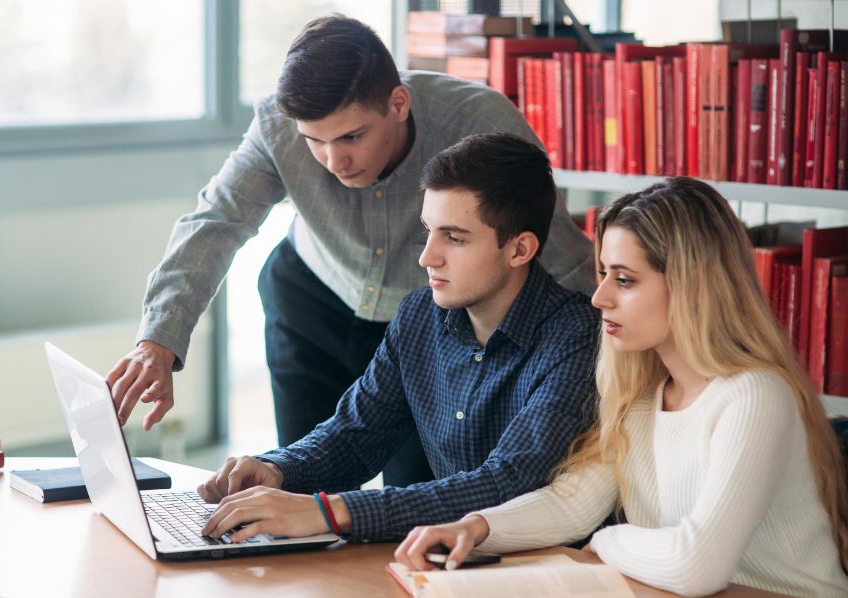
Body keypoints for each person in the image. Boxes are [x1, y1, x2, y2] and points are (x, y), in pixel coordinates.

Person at [104, 15, 594, 488]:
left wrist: (616, 355)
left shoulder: (479, 122)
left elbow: (554, 249)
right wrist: (158, 342)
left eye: (352, 137)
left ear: (398, 103)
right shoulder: (277, 124)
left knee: (415, 496)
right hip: (311, 303)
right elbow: (216, 221)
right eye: (314, 142)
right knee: (294, 479)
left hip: (423, 326)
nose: (333, 161)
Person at [394, 177, 848, 597]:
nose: (599, 297)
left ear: (693, 288)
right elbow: (573, 503)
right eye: (604, 273)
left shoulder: (754, 395)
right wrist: (473, 528)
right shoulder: (645, 398)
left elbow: (696, 566)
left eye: (625, 280)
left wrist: (605, 539)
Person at [195, 133, 600, 545]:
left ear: (520, 249)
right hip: (449, 566)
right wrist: (277, 469)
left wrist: (329, 512)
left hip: (548, 572)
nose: (428, 257)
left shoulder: (578, 338)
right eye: (428, 231)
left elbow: (506, 485)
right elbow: (355, 435)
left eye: (455, 238)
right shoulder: (419, 316)